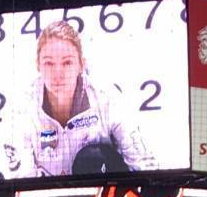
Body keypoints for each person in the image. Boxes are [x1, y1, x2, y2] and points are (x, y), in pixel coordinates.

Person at [21, 20, 154, 178]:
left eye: (67, 62)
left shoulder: (107, 99)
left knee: (90, 159)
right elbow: (20, 182)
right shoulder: (23, 109)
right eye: (49, 63)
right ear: (38, 65)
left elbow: (144, 166)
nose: (58, 73)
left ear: (81, 65)